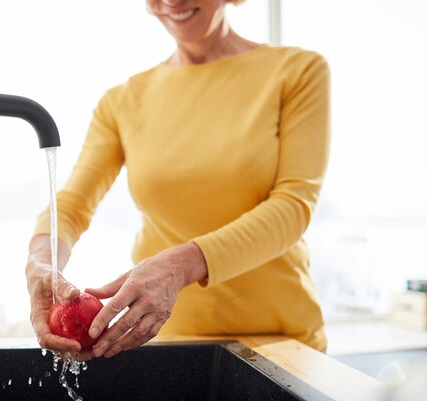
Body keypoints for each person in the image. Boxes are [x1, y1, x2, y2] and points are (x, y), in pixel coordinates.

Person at [26, 0, 330, 360]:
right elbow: (74, 204)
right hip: (165, 344)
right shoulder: (122, 101)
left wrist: (179, 266)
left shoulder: (297, 71)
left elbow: (293, 207)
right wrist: (40, 262)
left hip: (282, 344)